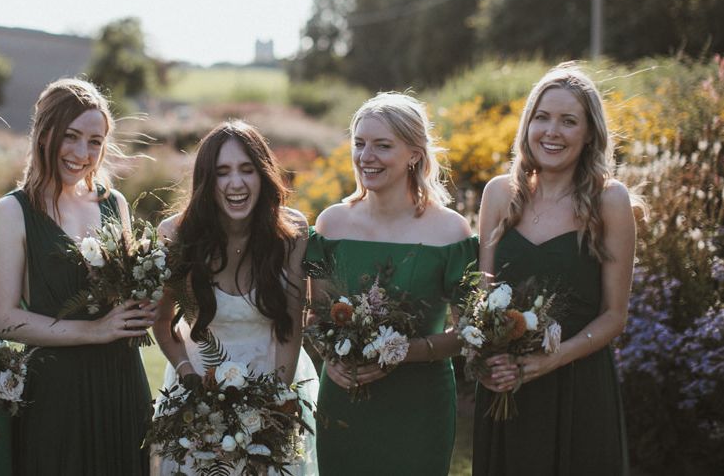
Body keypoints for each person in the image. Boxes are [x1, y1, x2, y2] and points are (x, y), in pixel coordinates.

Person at [472, 64, 638, 476]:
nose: (552, 131)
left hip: (579, 385)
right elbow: (479, 299)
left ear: (589, 134)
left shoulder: (610, 201)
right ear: (527, 124)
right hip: (506, 384)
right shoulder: (498, 194)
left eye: (568, 121)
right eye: (542, 117)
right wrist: (484, 361)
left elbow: (615, 316)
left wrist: (552, 359)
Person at [305, 92, 477, 476]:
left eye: (383, 145)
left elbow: (468, 332)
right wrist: (331, 359)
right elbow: (317, 318)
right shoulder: (331, 225)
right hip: (344, 396)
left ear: (414, 154)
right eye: (360, 143)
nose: (367, 156)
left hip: (420, 403)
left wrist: (401, 352)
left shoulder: (450, 231)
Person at [0, 78, 154, 476]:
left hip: (122, 383)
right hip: (55, 392)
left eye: (96, 141)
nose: (83, 153)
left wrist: (142, 305)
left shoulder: (114, 203)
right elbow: (4, 318)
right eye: (72, 136)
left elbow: (125, 291)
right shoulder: (11, 213)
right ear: (44, 134)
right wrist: (95, 330)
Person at [152, 120, 318, 475]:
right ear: (206, 182)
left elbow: (291, 326)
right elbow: (162, 322)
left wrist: (270, 407)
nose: (236, 183)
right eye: (222, 172)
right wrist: (188, 378)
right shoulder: (175, 235)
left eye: (247, 170)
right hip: (197, 384)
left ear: (264, 175)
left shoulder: (292, 233)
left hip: (275, 378)